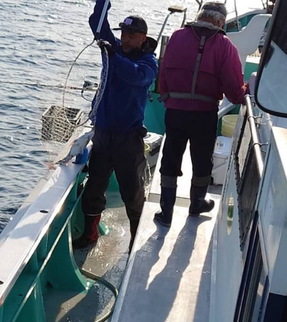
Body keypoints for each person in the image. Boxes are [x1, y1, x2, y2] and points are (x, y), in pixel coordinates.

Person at [73, 0, 158, 249]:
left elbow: (134, 75)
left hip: (128, 139)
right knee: (94, 188)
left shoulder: (149, 63)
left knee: (132, 192)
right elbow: (96, 23)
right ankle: (90, 233)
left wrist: (112, 54)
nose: (126, 39)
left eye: (132, 36)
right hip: (103, 134)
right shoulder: (114, 49)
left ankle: (136, 238)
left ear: (143, 38)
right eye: (124, 34)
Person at [154, 2, 247, 227]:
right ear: (220, 21)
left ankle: (166, 213)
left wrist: (168, 96)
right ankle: (196, 205)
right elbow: (234, 92)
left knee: (170, 158)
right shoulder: (225, 46)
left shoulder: (177, 36)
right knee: (202, 160)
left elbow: (163, 72)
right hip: (203, 115)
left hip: (174, 111)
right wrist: (247, 91)